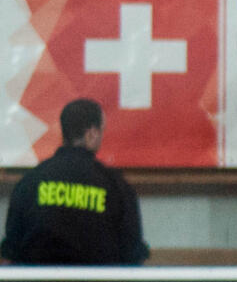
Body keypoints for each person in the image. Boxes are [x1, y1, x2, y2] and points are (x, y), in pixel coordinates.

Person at [2, 97, 145, 264]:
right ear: (91, 134)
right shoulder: (116, 187)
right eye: (102, 131)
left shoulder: (29, 183)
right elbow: (133, 257)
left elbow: (9, 255)